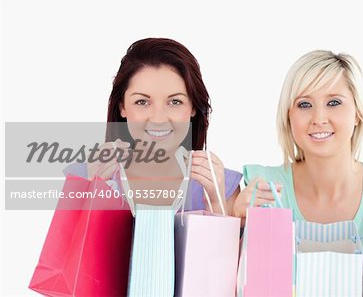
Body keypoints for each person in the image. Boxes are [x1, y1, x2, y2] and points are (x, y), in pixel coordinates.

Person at [233, 50, 363, 249]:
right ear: (289, 117)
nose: (319, 118)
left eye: (334, 103)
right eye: (304, 104)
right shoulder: (264, 190)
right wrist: (239, 224)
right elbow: (233, 276)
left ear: (357, 113)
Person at [65, 37, 241, 213]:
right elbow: (66, 239)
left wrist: (217, 204)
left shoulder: (222, 185)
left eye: (174, 102)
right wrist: (89, 191)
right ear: (122, 107)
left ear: (193, 107)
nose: (158, 119)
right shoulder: (83, 176)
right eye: (142, 102)